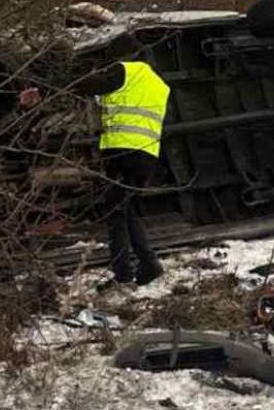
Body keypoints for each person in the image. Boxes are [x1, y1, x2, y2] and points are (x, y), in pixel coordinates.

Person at [19, 35, 170, 286]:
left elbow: (88, 84)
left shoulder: (128, 70)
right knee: (126, 210)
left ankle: (123, 276)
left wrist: (43, 90)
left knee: (114, 212)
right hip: (146, 155)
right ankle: (149, 264)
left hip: (124, 153)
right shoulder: (157, 83)